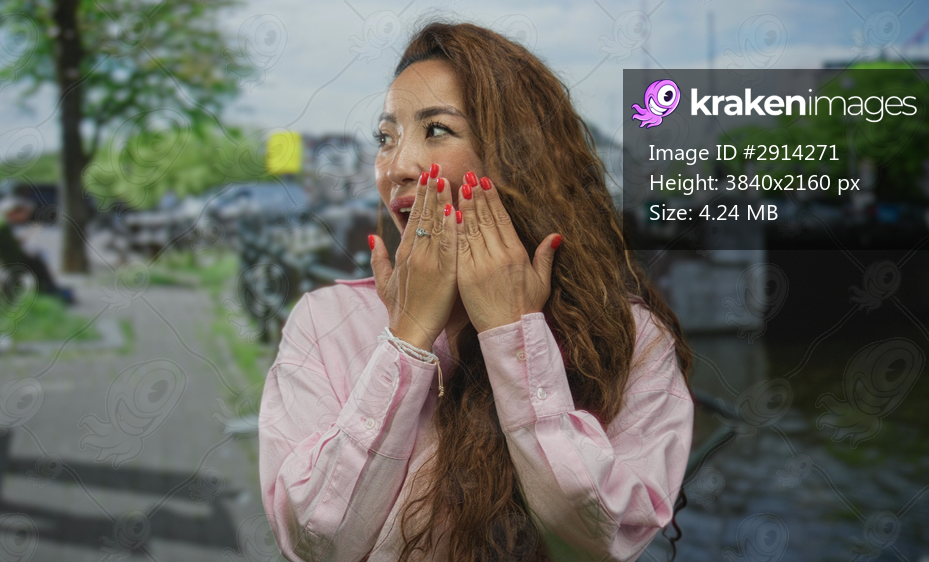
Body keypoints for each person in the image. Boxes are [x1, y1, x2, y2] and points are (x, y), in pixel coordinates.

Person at [258, 21, 694, 562]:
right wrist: (407, 338)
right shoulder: (326, 321)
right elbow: (318, 542)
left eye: (437, 130)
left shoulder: (632, 336)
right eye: (385, 138)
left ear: (518, 160)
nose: (397, 167)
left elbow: (599, 538)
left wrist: (512, 334)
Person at [0, 196, 73, 303]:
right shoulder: (2, 225)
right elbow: (12, 248)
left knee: (36, 259)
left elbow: (9, 243)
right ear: (15, 211)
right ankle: (49, 290)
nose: (25, 218)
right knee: (37, 261)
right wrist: (28, 254)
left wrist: (26, 239)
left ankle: (48, 289)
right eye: (25, 214)